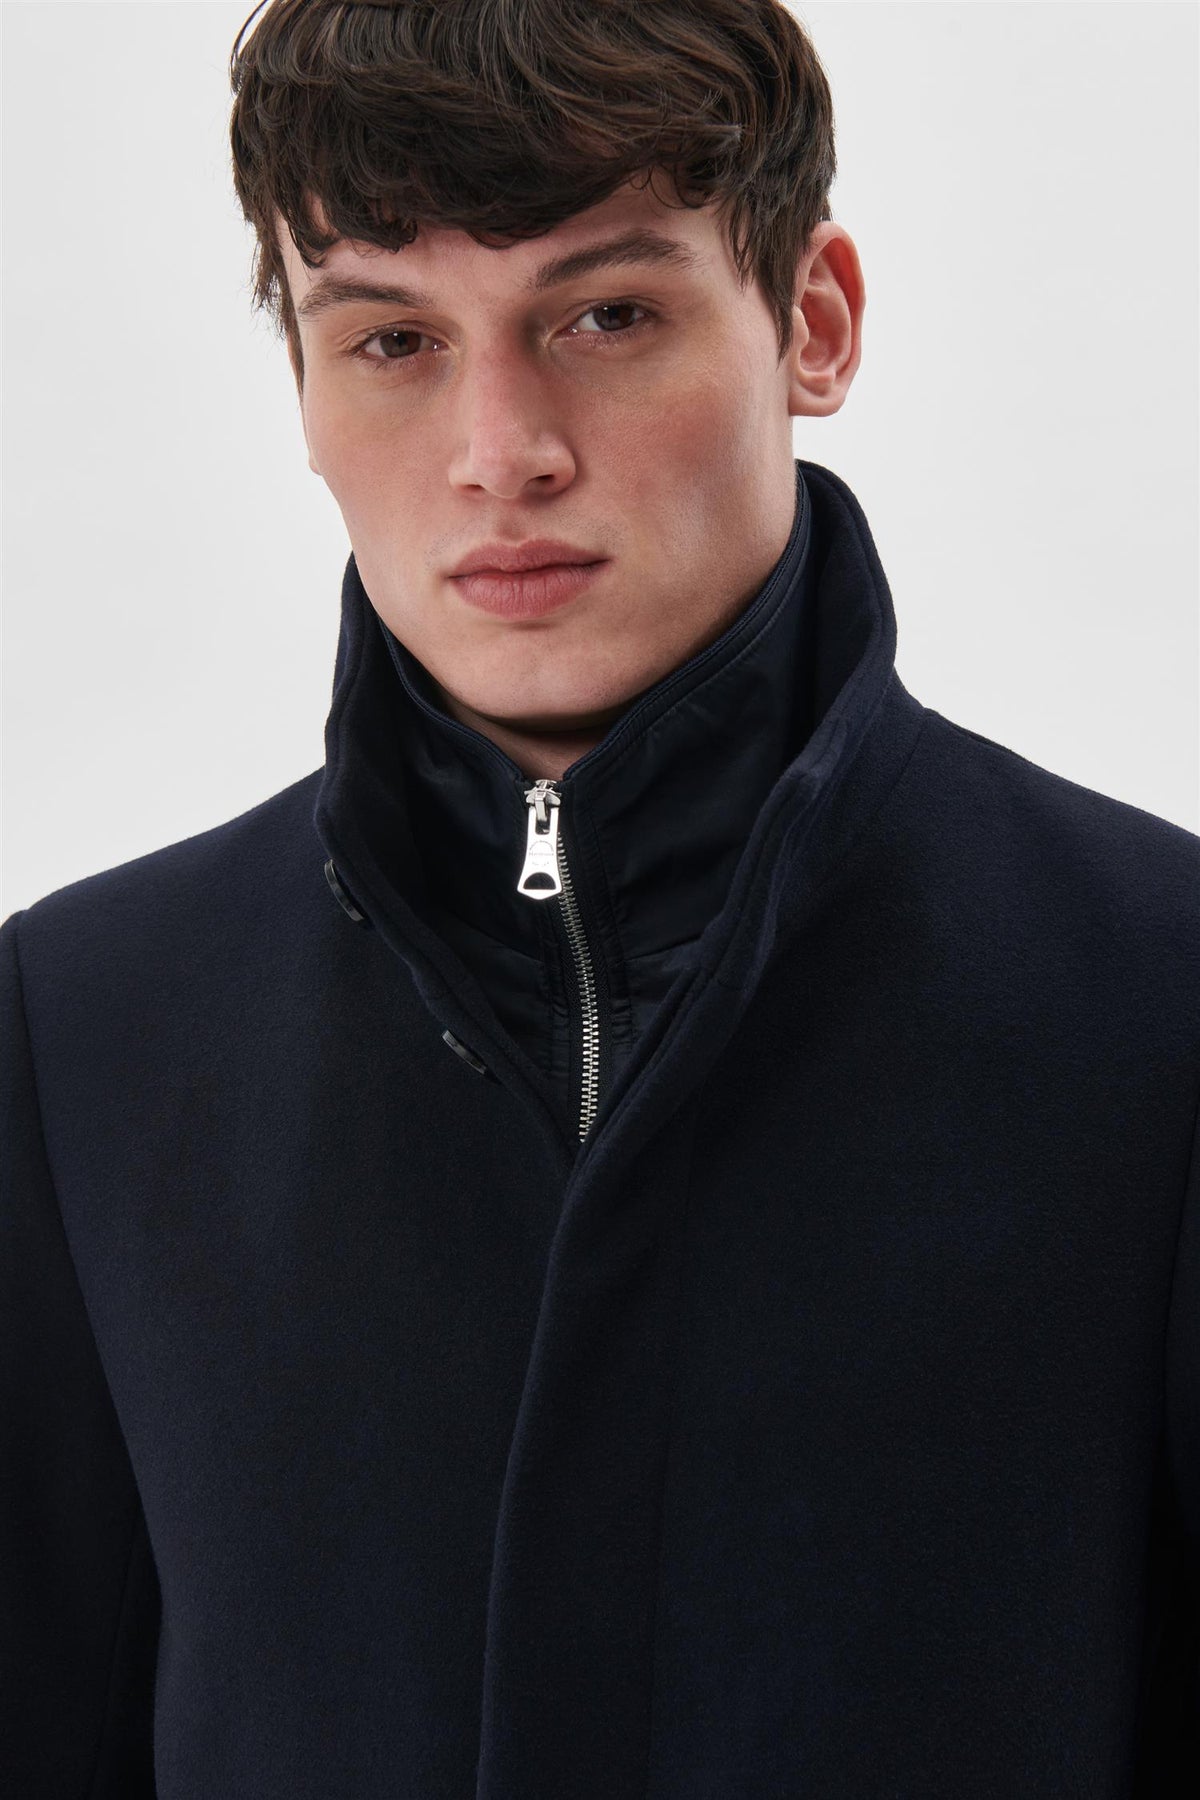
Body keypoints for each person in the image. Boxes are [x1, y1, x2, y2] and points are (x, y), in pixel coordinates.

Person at [2, 0, 1196, 1793]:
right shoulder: (84, 1032)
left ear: (812, 321)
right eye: (393, 339)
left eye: (606, 316)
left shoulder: (1160, 1000)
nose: (502, 450)